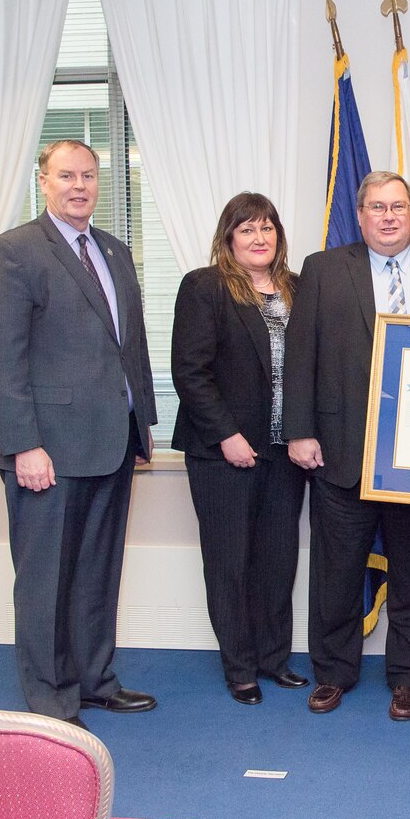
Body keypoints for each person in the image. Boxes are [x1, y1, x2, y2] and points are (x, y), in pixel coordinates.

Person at [0, 139, 157, 728]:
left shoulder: (114, 251)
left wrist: (142, 428)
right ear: (43, 181)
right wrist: (24, 443)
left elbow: (131, 347)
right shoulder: (12, 253)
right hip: (47, 449)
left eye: (88, 175)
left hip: (112, 442)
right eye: (66, 175)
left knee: (98, 575)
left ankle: (96, 680)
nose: (79, 185)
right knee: (46, 579)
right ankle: (51, 699)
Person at [283, 171, 410, 720]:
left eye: (398, 206)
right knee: (336, 572)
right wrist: (299, 429)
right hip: (339, 450)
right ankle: (333, 672)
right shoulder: (322, 269)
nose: (388, 217)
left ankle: (409, 677)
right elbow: (301, 353)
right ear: (360, 216)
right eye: (377, 208)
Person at [171, 192, 308, 706]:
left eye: (267, 228)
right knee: (230, 561)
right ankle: (241, 668)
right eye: (247, 229)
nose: (259, 238)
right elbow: (191, 370)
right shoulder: (205, 287)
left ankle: (275, 659)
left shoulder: (297, 289)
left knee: (277, 560)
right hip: (222, 451)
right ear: (229, 237)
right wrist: (226, 434)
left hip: (283, 451)